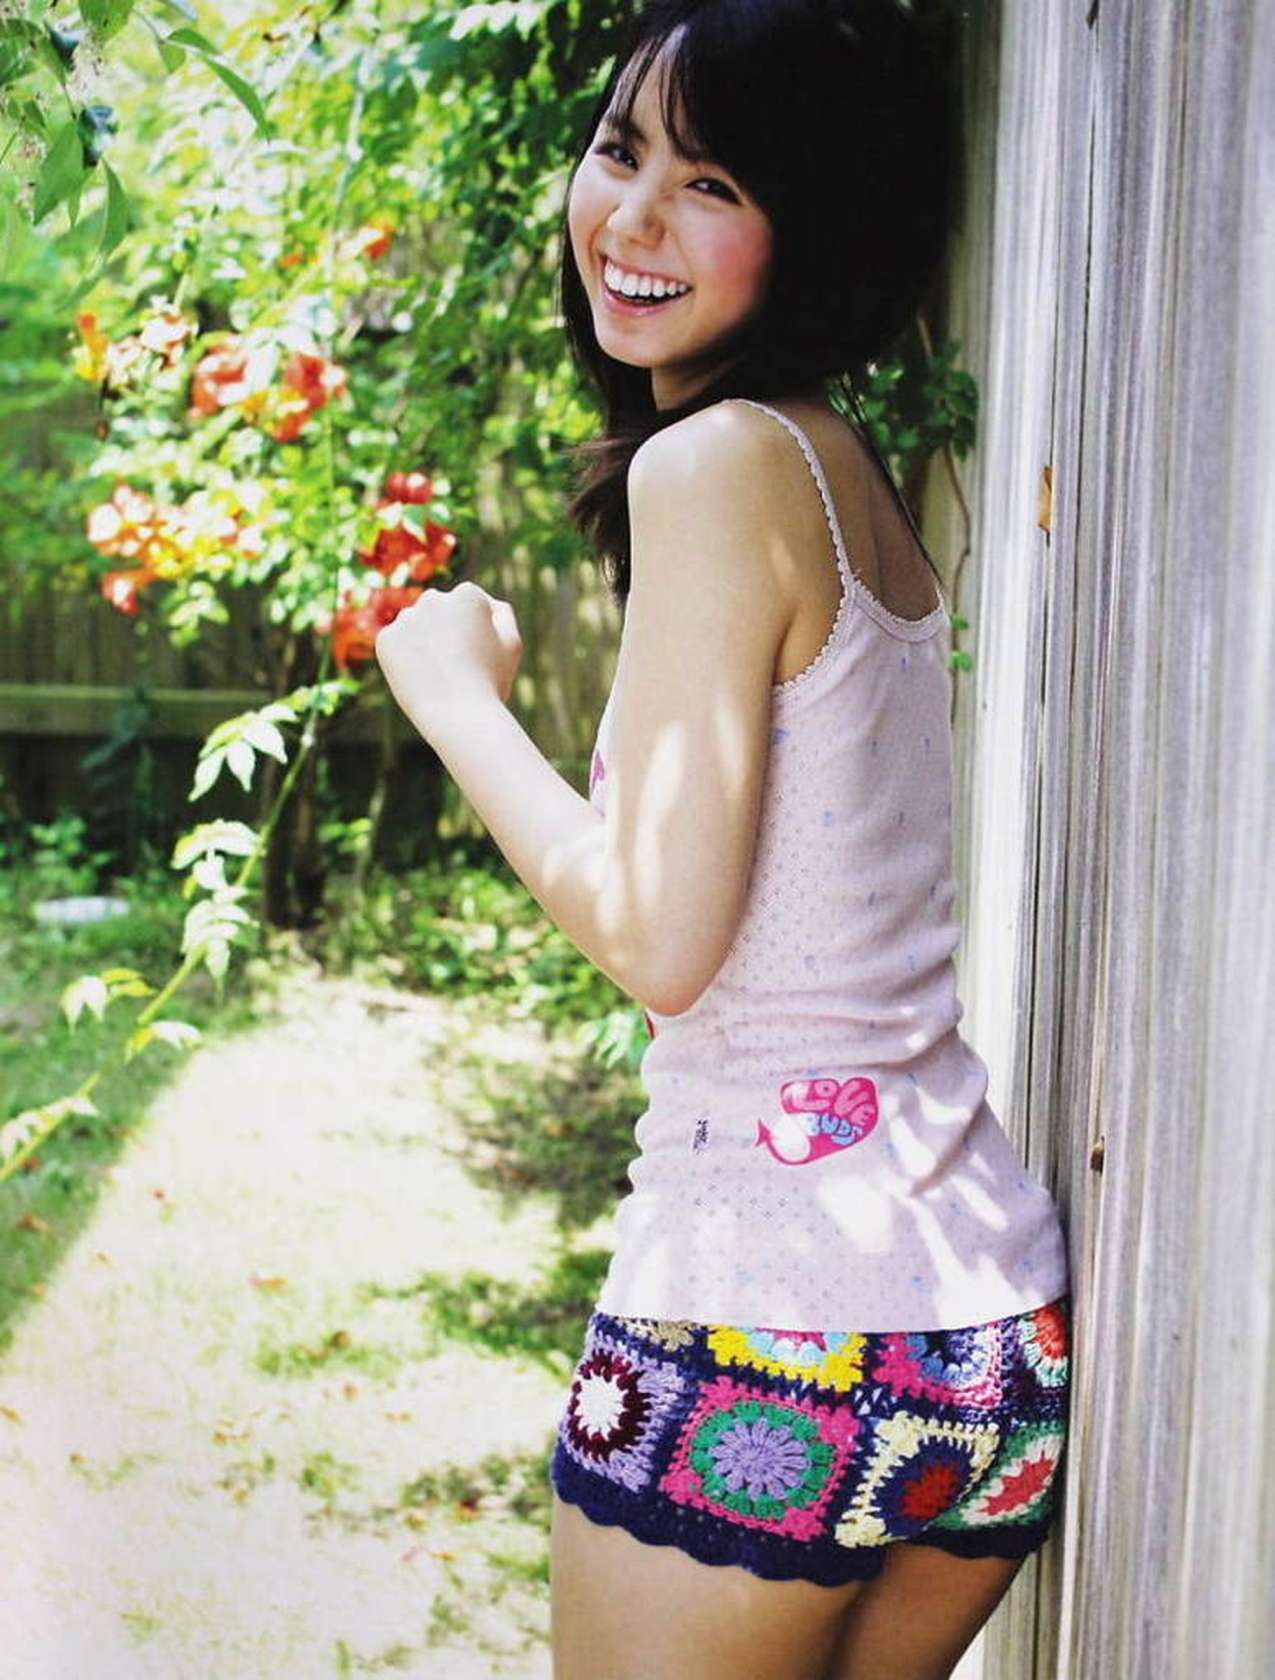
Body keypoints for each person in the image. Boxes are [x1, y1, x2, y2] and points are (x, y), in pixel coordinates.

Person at [375, 2, 1073, 1676]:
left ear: (814, 228)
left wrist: (457, 703)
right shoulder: (838, 468)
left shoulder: (715, 466)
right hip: (981, 1337)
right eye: (622, 151)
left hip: (768, 1340)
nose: (633, 216)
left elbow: (659, 935)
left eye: (712, 183)